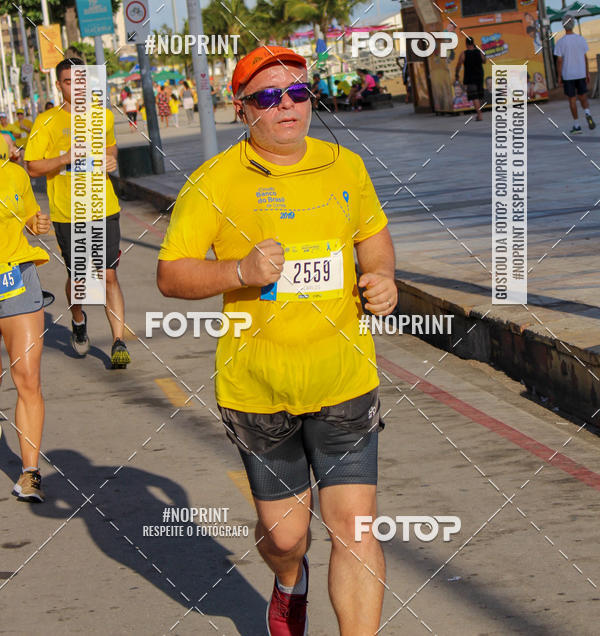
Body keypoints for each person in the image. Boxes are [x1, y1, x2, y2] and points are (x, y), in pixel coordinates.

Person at [157, 44, 396, 636]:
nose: (286, 106)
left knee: (355, 526)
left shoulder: (345, 165)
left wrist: (384, 279)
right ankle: (291, 578)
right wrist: (238, 273)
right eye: (267, 97)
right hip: (258, 388)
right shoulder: (215, 181)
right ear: (243, 110)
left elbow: (374, 238)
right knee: (286, 536)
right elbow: (170, 273)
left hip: (344, 377)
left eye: (296, 93)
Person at [24, 58, 131, 369]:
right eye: (69, 81)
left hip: (103, 207)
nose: (76, 86)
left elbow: (111, 148)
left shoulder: (103, 116)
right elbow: (32, 166)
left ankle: (118, 342)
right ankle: (78, 318)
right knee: (80, 279)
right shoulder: (46, 121)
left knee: (108, 275)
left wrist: (111, 160)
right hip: (67, 212)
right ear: (59, 85)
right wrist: (65, 157)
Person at [0, 156, 52, 501]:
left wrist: (37, 222)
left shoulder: (13, 172)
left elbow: (31, 219)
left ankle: (30, 472)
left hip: (15, 279)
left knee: (28, 377)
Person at [554, 16, 595, 133]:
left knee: (572, 99)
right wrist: (587, 72)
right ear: (573, 25)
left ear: (563, 25)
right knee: (583, 96)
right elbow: (584, 57)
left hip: (568, 75)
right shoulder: (581, 39)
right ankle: (587, 113)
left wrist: (559, 76)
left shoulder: (560, 42)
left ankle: (577, 125)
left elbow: (559, 61)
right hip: (581, 73)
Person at [455, 36, 485, 121]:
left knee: (475, 96)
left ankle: (479, 115)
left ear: (466, 44)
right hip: (479, 76)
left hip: (470, 77)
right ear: (473, 43)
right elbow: (484, 60)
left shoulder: (464, 54)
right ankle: (479, 113)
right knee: (479, 96)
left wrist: (456, 74)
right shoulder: (479, 52)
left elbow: (459, 64)